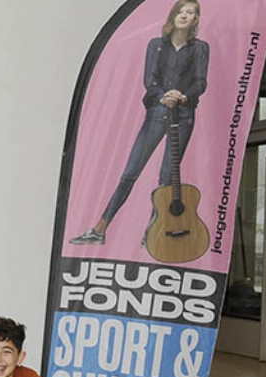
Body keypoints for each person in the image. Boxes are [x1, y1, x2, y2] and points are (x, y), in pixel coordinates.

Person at [70, 0, 208, 246]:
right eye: (182, 11)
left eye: (191, 12)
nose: (185, 16)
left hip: (184, 115)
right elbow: (149, 79)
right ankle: (100, 228)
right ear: (173, 14)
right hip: (157, 111)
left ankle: (153, 235)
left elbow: (200, 82)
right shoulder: (156, 45)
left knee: (167, 180)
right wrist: (163, 96)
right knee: (130, 173)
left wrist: (183, 95)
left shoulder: (200, 48)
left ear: (195, 19)